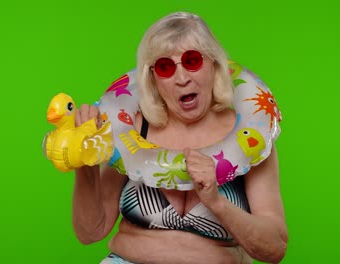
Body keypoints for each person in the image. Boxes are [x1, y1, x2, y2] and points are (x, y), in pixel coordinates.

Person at [72, 11, 288, 264]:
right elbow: (91, 232)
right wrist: (84, 161)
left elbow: (274, 248)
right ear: (152, 79)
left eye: (193, 61)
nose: (182, 79)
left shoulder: (248, 140)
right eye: (165, 67)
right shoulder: (130, 133)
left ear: (215, 65)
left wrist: (217, 203)